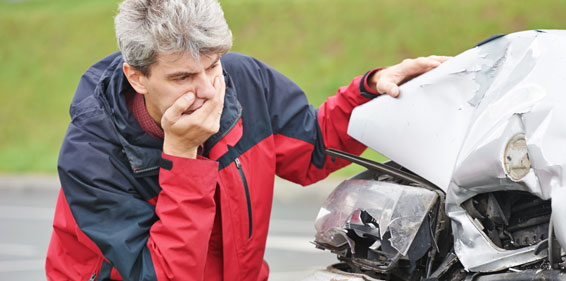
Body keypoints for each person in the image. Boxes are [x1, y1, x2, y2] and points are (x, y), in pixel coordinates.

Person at [45, 0, 447, 280]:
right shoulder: (91, 156)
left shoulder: (246, 81)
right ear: (137, 77)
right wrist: (182, 157)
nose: (208, 90)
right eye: (183, 77)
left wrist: (373, 90)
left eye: (213, 65)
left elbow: (314, 152)